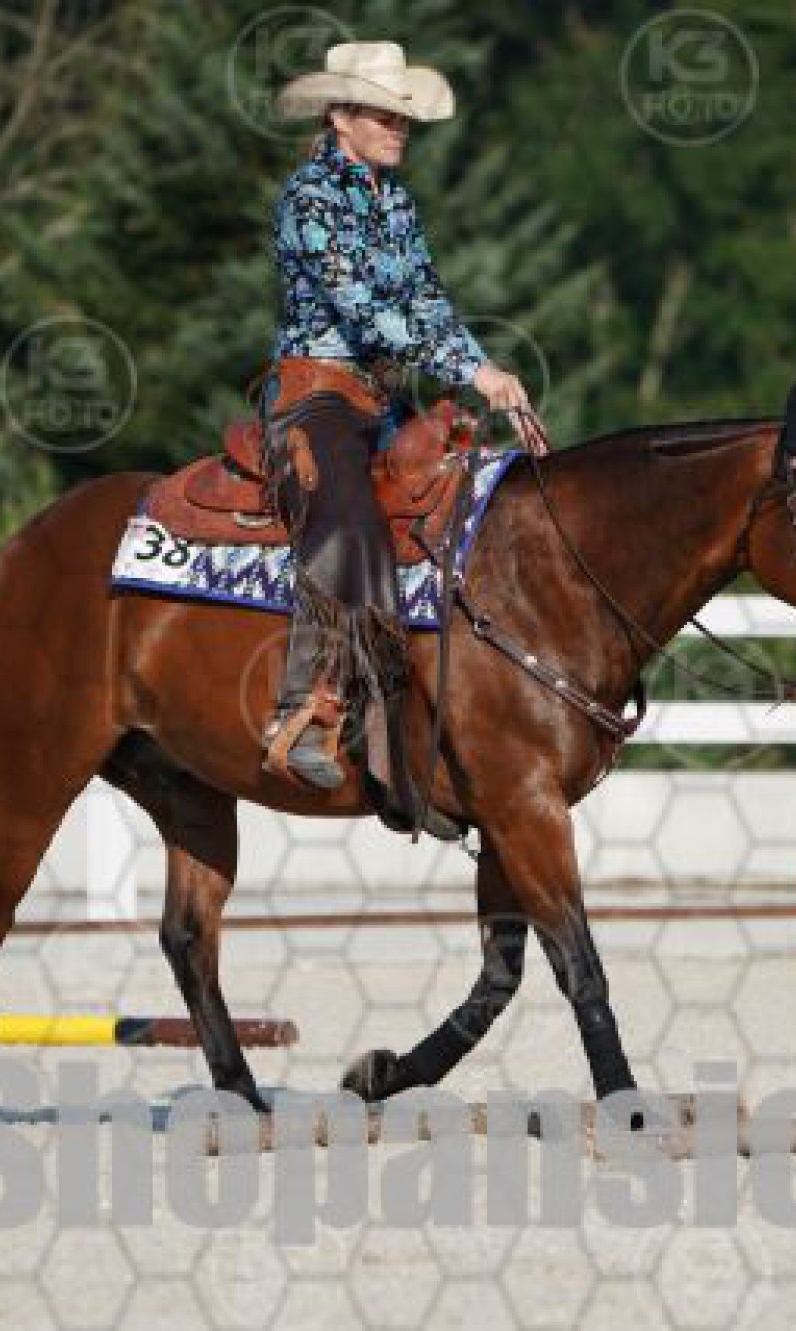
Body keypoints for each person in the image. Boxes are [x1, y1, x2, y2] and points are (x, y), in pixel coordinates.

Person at [261, 41, 538, 833]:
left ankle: (412, 748)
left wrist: (485, 370)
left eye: (402, 116)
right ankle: (303, 710)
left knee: (457, 514)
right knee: (349, 520)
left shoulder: (397, 204)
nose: (398, 127)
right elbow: (364, 312)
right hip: (314, 397)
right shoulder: (310, 198)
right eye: (382, 115)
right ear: (340, 117)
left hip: (380, 401)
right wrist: (472, 372)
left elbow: (427, 303)